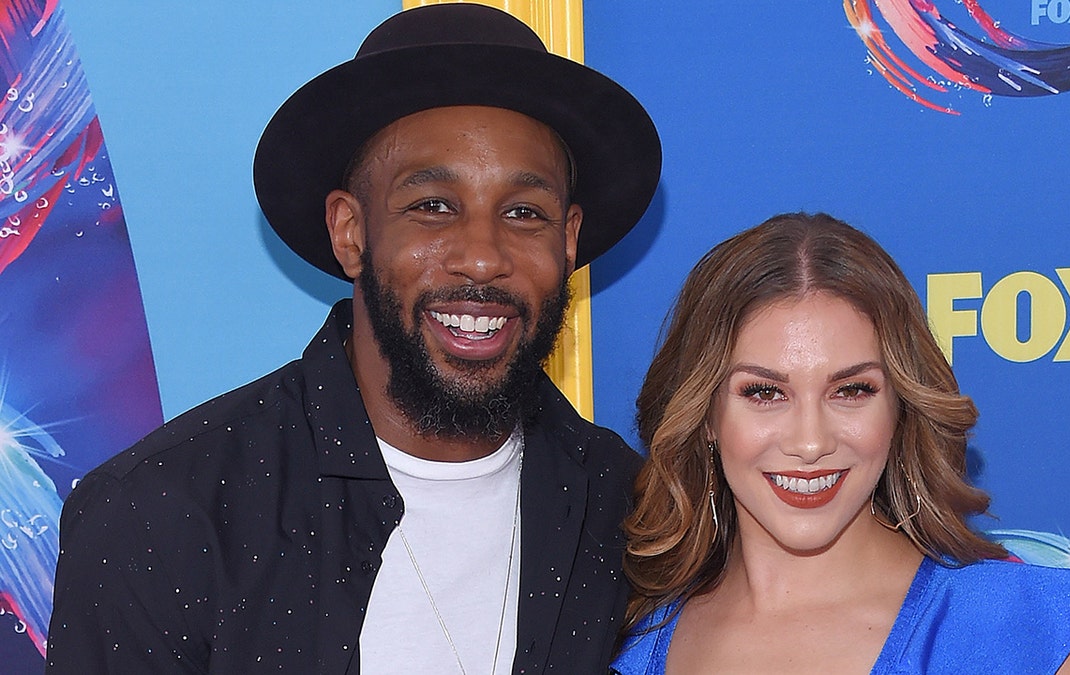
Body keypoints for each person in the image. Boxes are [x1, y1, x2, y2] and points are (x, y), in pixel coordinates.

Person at [45, 4, 660, 674]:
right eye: (433, 207)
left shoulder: (633, 519)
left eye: (523, 212)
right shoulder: (163, 515)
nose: (483, 257)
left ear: (567, 240)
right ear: (350, 231)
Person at [611, 213, 1070, 674]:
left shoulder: (1015, 643)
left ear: (900, 409)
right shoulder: (624, 643)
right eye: (765, 393)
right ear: (704, 417)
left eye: (851, 391)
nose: (810, 443)